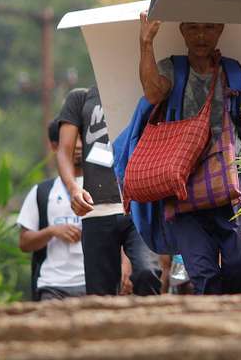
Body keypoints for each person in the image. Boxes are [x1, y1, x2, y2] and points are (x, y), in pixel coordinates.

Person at [137, 15, 241, 295]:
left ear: (220, 29)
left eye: (209, 27)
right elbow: (153, 94)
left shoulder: (236, 74)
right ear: (182, 30)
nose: (201, 35)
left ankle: (237, 315)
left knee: (240, 266)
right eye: (193, 28)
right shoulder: (173, 70)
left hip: (233, 186)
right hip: (183, 188)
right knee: (203, 275)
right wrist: (146, 43)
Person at [56, 86, 163, 295]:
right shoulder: (81, 98)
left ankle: (153, 317)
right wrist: (73, 189)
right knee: (100, 292)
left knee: (147, 273)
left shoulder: (146, 89)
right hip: (95, 209)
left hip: (139, 204)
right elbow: (64, 150)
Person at [16, 116, 85, 300]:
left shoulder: (103, 188)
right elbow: (24, 242)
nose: (78, 145)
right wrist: (52, 231)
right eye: (72, 139)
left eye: (81, 138)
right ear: (55, 146)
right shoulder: (41, 192)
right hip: (52, 286)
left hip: (94, 283)